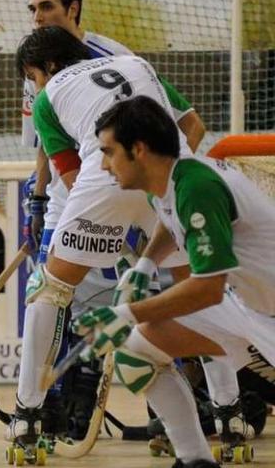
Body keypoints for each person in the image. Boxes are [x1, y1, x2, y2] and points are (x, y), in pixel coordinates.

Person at [14, 0, 211, 446]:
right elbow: (187, 128)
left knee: (51, 288)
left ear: (46, 65)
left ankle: (27, 414)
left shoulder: (51, 93)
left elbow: (73, 175)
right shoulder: (133, 61)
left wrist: (114, 225)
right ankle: (223, 412)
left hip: (103, 178)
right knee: (200, 296)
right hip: (180, 177)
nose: (38, 15)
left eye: (33, 78)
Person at [74, 95, 275, 467]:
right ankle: (194, 460)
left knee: (132, 328)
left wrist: (128, 312)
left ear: (139, 150)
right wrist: (146, 265)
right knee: (137, 350)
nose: (103, 165)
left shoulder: (197, 187)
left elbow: (207, 288)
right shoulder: (171, 179)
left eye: (109, 152)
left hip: (258, 309)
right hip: (246, 304)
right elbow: (171, 221)